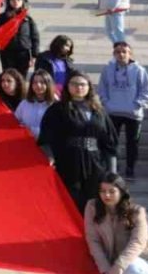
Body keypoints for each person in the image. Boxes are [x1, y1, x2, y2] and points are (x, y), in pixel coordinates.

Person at [39, 72, 119, 212]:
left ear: (89, 87)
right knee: (71, 201)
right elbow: (46, 137)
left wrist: (112, 171)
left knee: (94, 202)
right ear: (68, 86)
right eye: (74, 84)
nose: (78, 87)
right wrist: (50, 156)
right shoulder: (58, 110)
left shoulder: (98, 111)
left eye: (82, 84)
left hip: (95, 164)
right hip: (69, 162)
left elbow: (109, 143)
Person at [98, 42, 148, 179]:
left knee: (132, 143)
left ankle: (130, 169)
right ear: (114, 54)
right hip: (112, 112)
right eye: (117, 52)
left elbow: (146, 91)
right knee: (111, 142)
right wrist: (106, 103)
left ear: (130, 54)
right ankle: (113, 168)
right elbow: (102, 88)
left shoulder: (139, 70)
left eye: (124, 52)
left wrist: (138, 104)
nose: (121, 54)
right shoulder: (107, 69)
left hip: (133, 114)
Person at [84, 173, 148, 274]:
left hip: (133, 260)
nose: (107, 195)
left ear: (121, 192)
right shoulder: (92, 207)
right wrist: (105, 269)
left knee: (135, 269)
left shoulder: (136, 212)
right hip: (107, 261)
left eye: (112, 191)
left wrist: (119, 266)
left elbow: (137, 242)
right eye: (103, 191)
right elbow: (93, 240)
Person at [0, 0, 39, 77]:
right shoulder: (2, 17)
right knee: (8, 75)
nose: (15, 1)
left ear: (22, 2)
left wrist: (35, 55)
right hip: (7, 52)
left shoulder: (27, 18)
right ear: (9, 2)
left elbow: (35, 37)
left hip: (23, 53)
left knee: (21, 77)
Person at [15, 69, 59, 139]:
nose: (38, 85)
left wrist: (31, 130)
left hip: (47, 146)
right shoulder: (24, 104)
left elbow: (57, 129)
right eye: (35, 82)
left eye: (42, 82)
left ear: (48, 84)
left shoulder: (56, 105)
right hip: (25, 142)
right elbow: (15, 122)